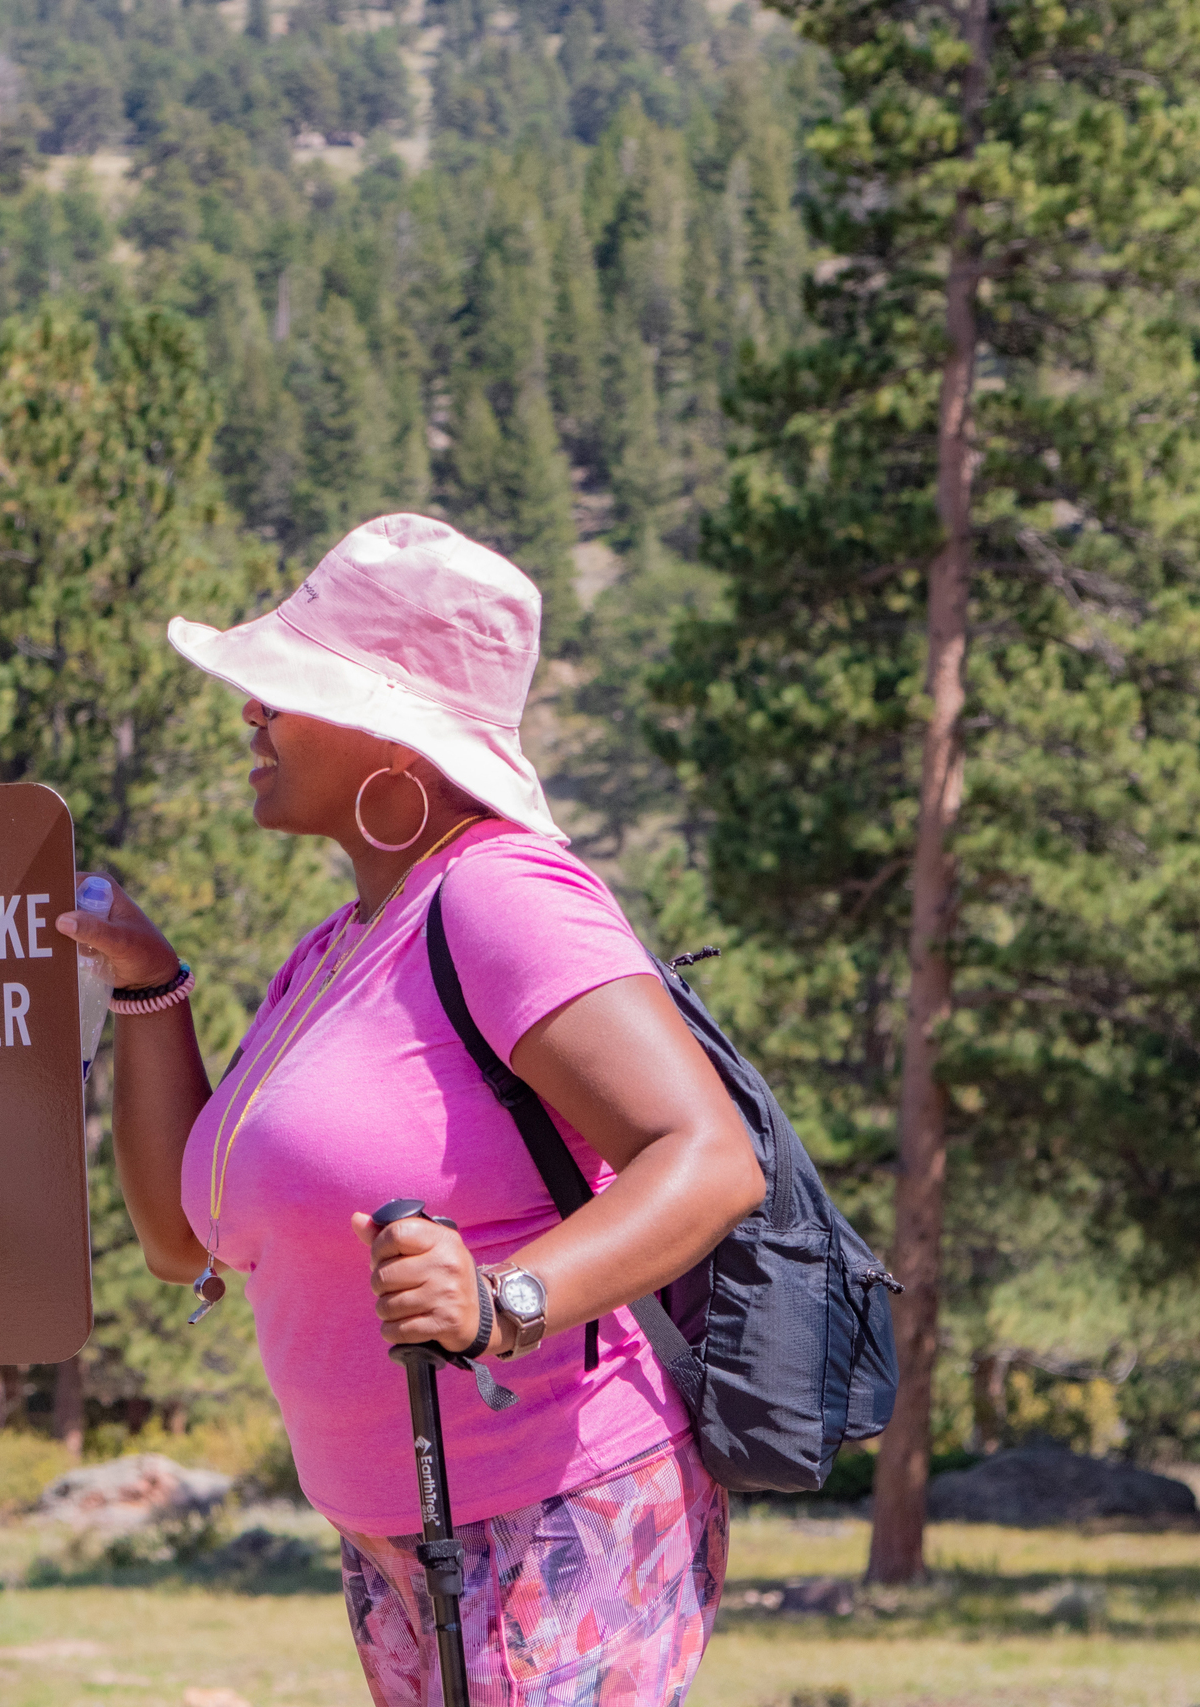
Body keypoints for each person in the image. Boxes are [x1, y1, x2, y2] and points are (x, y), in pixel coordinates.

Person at [60, 515, 766, 1706]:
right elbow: (181, 1244)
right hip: (397, 1532)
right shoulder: (334, 953)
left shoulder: (504, 899)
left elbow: (706, 1157)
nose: (252, 714)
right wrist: (147, 985)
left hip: (554, 1513)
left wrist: (506, 1299)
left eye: (287, 692)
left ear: (397, 740)